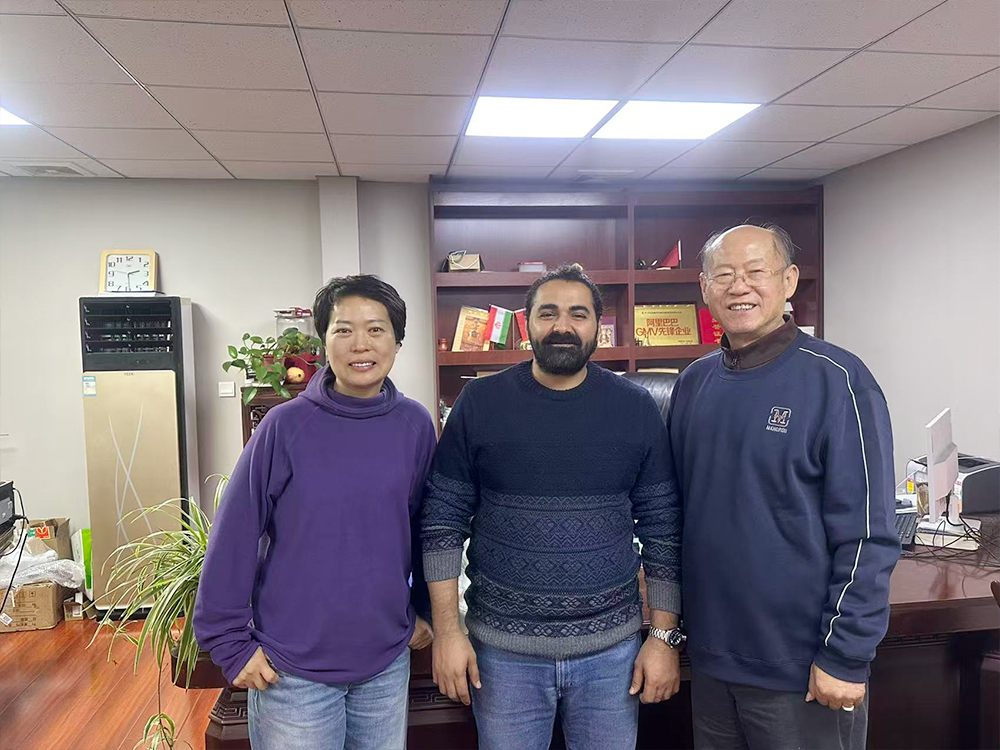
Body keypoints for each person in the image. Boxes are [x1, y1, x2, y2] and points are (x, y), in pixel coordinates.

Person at [422, 264, 683, 750]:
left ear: (597, 326)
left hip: (612, 655)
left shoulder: (635, 407)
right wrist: (448, 632)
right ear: (528, 324)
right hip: (501, 655)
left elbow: (663, 528)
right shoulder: (480, 402)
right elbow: (442, 519)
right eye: (548, 313)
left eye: (578, 314)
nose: (563, 326)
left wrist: (663, 638)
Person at [668, 225, 899, 749]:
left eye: (756, 272)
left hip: (804, 669)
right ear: (704, 288)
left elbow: (869, 534)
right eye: (723, 275)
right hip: (711, 663)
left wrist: (845, 653)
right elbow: (680, 514)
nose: (739, 287)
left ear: (789, 281)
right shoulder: (693, 384)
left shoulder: (838, 380)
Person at [193, 275, 436, 750]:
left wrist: (425, 611)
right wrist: (229, 642)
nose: (360, 344)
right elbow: (235, 532)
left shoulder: (414, 425)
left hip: (385, 665)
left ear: (398, 342)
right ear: (324, 341)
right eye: (344, 330)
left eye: (376, 329)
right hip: (293, 672)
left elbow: (426, 527)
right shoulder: (285, 426)